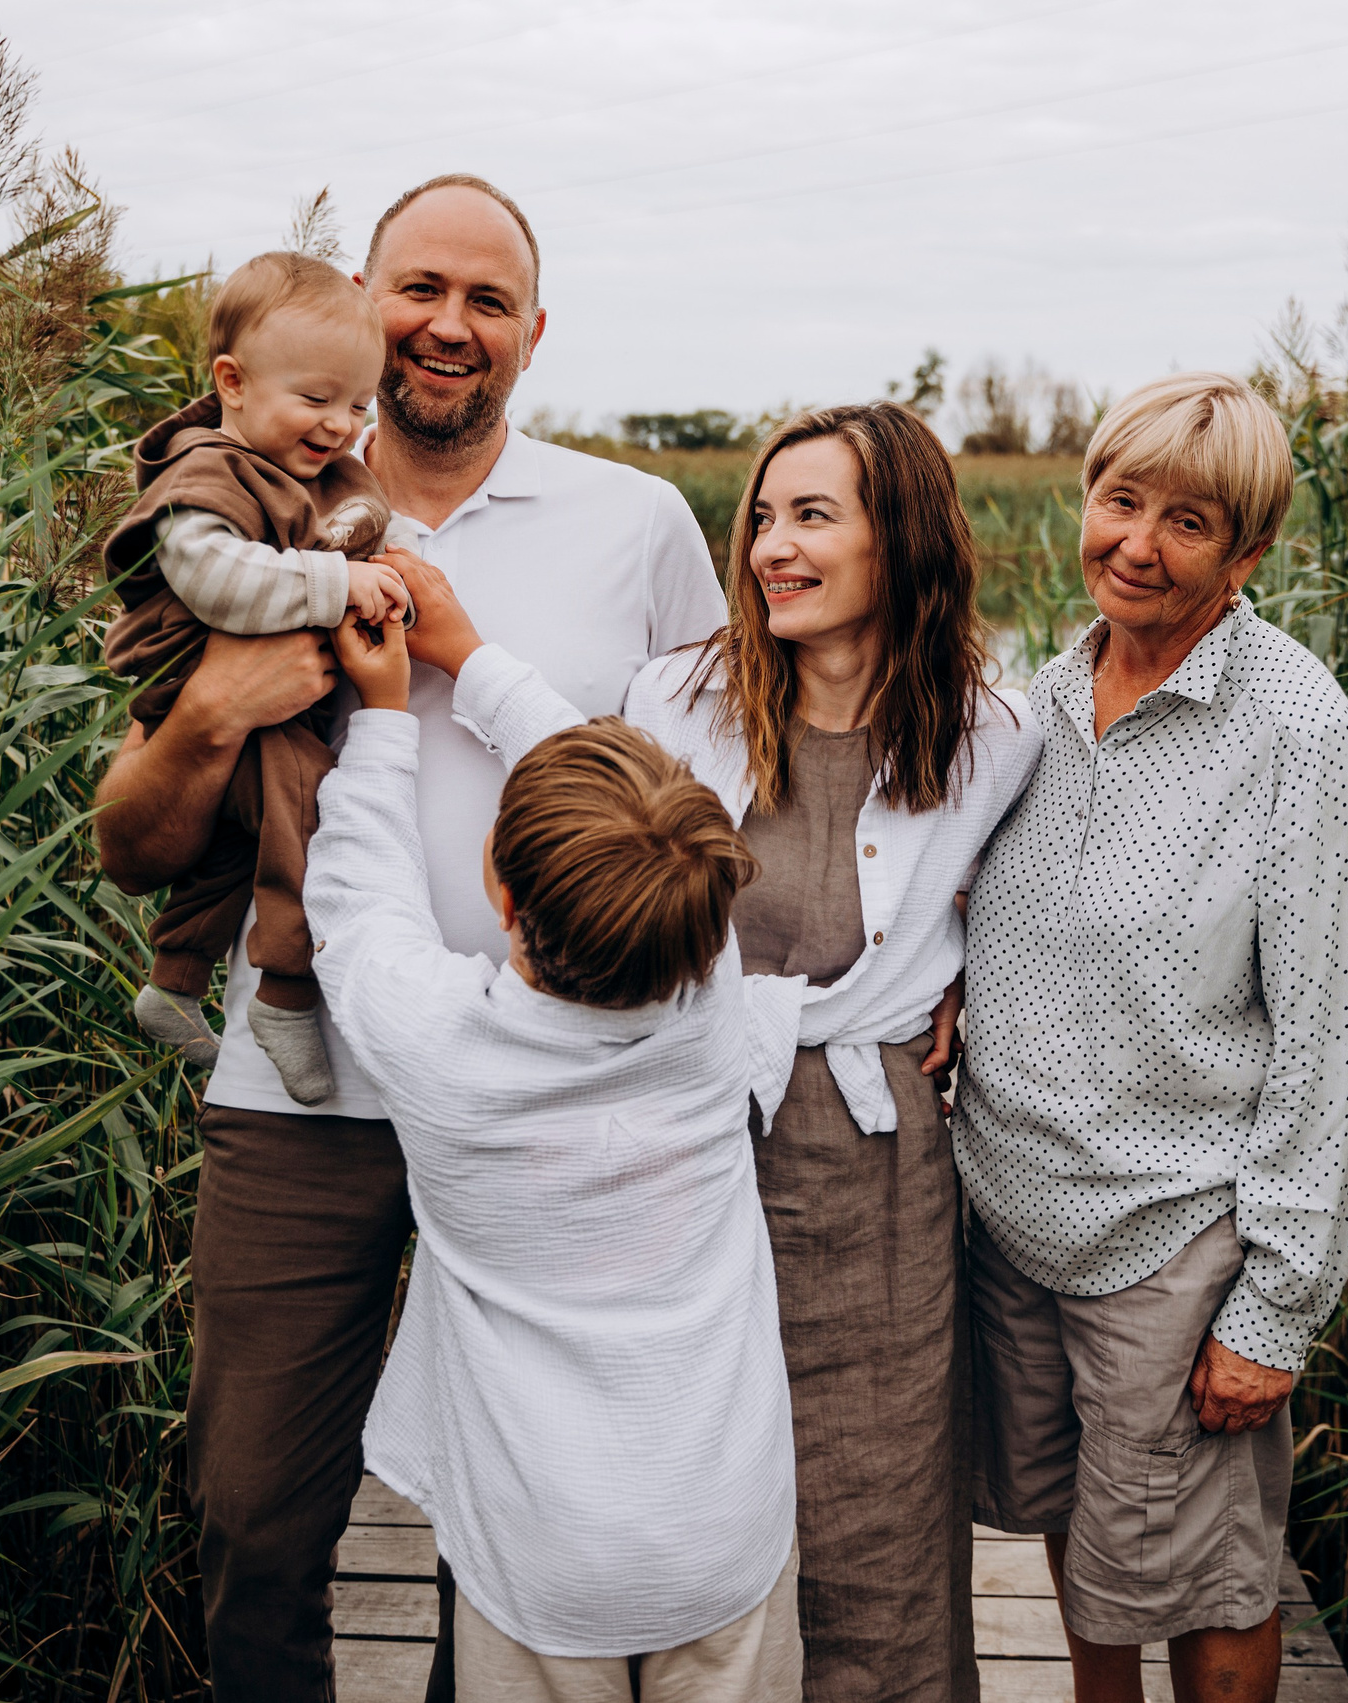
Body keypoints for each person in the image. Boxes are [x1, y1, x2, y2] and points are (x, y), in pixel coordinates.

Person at [91, 174, 725, 1703]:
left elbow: (705, 810)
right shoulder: (255, 503)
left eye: (488, 299)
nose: (450, 324)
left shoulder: (636, 525)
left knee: (515, 1527)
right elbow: (132, 846)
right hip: (300, 1085)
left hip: (551, 1099)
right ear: (364, 305)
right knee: (252, 1510)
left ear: (534, 333)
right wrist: (211, 708)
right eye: (420, 288)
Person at [398, 401, 1042, 1702]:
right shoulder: (680, 697)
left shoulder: (993, 732)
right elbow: (582, 789)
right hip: (678, 1145)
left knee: (871, 1502)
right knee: (642, 1478)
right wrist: (464, 652)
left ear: (901, 537)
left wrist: (974, 968)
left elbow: (1045, 892)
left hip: (872, 1172)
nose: (768, 547)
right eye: (763, 516)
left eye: (812, 516)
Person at [952, 374, 1348, 1703]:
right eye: (1120, 500)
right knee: (1081, 1535)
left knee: (1207, 1574)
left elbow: (1335, 1045)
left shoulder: (1295, 730)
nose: (1137, 543)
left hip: (1172, 1240)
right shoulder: (1045, 693)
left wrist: (1276, 1306)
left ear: (1247, 552)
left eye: (1187, 522)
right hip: (1014, 1219)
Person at [311, 614, 802, 1701]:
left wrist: (386, 712)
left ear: (501, 895)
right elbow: (647, 828)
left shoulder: (434, 1044)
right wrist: (477, 659)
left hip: (539, 1549)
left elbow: (358, 898)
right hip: (723, 1527)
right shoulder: (709, 999)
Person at [104, 251, 418, 1108]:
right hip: (193, 681)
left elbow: (344, 535)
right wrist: (338, 584)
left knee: (237, 845)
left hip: (272, 700)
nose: (340, 425)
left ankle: (174, 977)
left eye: (358, 405)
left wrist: (387, 568)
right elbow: (216, 581)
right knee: (309, 813)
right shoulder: (207, 473)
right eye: (316, 399)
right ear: (233, 383)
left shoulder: (307, 473)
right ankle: (283, 992)